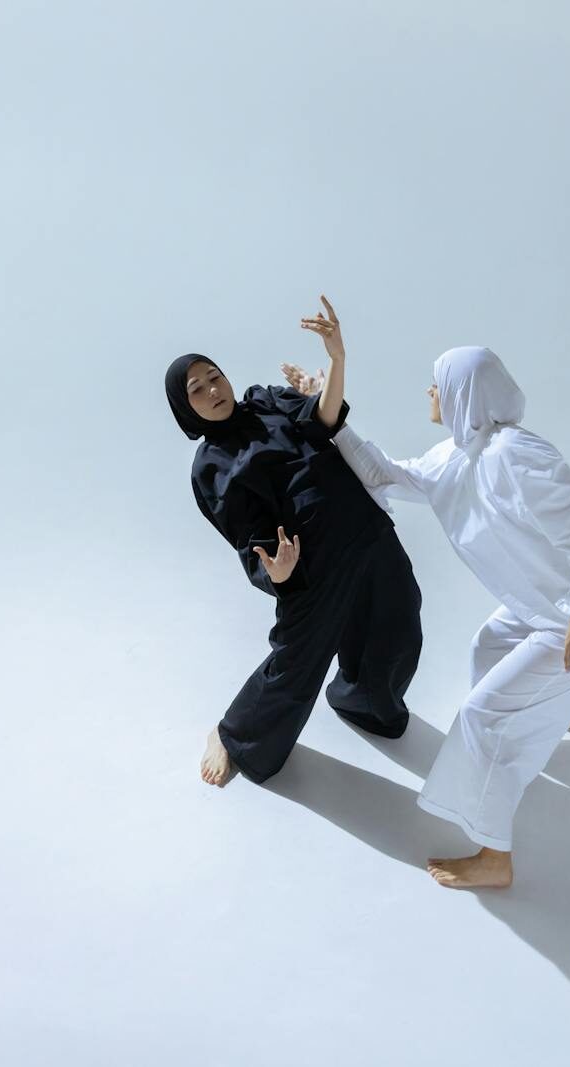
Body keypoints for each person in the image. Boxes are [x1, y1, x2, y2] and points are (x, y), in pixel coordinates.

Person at [286, 338, 570, 889]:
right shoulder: (455, 458)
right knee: (488, 646)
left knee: (483, 716)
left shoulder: (516, 454)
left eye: (438, 382)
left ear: (463, 393)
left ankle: (494, 854)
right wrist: (329, 417)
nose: (431, 391)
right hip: (545, 609)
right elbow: (385, 476)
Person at [165, 297, 423, 787]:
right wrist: (276, 571)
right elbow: (247, 538)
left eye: (214, 376)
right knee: (295, 666)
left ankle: (362, 700)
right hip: (310, 567)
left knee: (399, 619)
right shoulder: (211, 466)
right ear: (186, 407)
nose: (212, 389)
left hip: (364, 532)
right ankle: (231, 735)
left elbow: (324, 420)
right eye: (196, 390)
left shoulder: (267, 399)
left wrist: (337, 359)